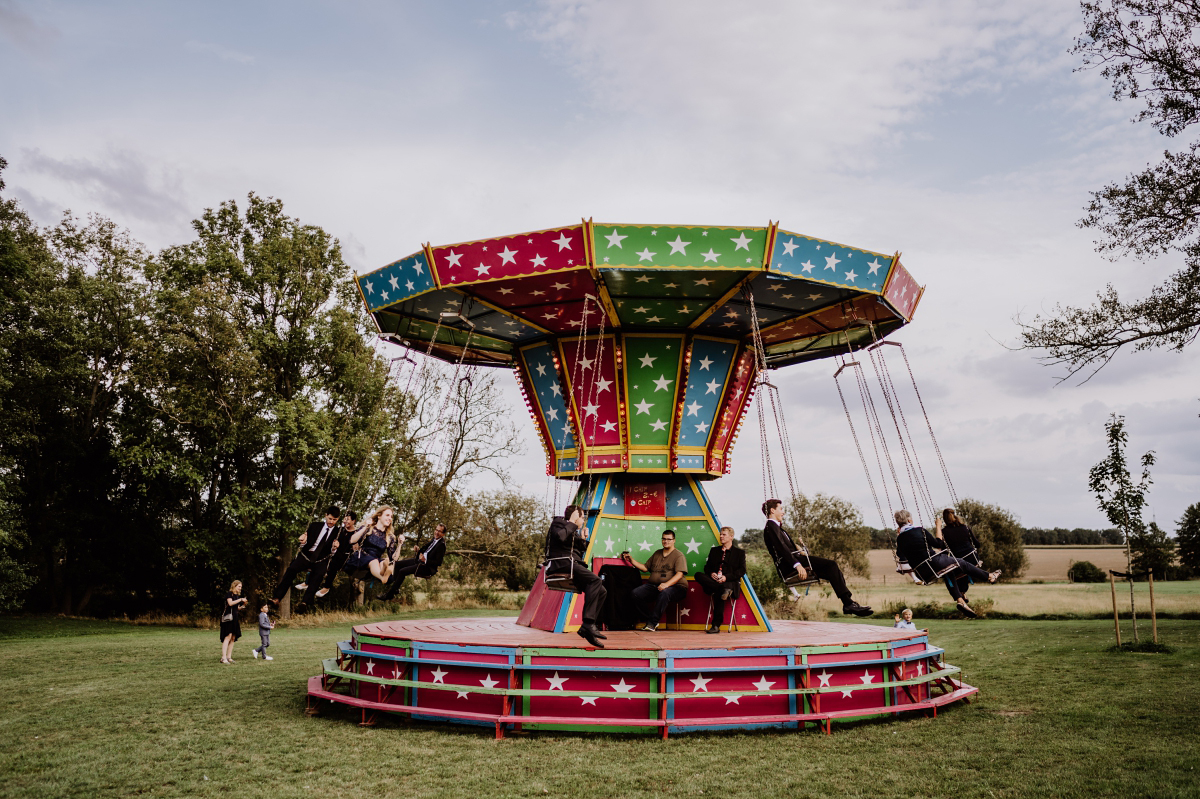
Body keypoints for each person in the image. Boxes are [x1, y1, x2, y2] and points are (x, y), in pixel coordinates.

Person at [761, 499, 873, 617]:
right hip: (791, 565)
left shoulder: (777, 528)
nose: (783, 512)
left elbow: (786, 547)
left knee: (832, 571)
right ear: (772, 510)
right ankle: (848, 603)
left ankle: (848, 603)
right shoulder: (771, 526)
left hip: (798, 560)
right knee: (831, 565)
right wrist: (797, 565)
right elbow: (781, 548)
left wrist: (800, 550)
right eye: (781, 509)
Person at [894, 509, 1000, 618]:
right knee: (961, 563)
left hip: (922, 573)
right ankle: (990, 576)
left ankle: (960, 601)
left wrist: (901, 537)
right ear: (909, 520)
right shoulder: (920, 530)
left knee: (949, 572)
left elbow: (900, 555)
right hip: (935, 562)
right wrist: (938, 527)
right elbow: (938, 543)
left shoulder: (900, 539)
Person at [545, 504, 607, 648]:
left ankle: (588, 627)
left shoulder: (572, 530)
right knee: (595, 580)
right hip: (562, 563)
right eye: (582, 518)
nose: (583, 521)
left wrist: (584, 539)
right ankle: (588, 623)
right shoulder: (558, 523)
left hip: (572, 563)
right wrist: (572, 522)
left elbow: (578, 551)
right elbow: (560, 538)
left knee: (602, 591)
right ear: (575, 516)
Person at [271, 506, 342, 609]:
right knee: (291, 569)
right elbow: (305, 543)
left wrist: (335, 548)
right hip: (307, 554)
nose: (331, 521)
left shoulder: (338, 532)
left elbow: (333, 553)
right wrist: (303, 542)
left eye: (334, 520)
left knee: (319, 575)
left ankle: (305, 603)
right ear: (326, 516)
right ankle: (277, 598)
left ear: (338, 519)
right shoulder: (315, 526)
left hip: (322, 557)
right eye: (330, 518)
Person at [622, 529, 688, 632]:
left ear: (674, 540)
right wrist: (631, 560)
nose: (666, 541)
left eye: (669, 539)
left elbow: (680, 574)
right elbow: (644, 568)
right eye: (664, 539)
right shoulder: (657, 553)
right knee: (635, 593)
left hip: (677, 587)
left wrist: (666, 584)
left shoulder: (679, 555)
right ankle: (651, 620)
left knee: (665, 593)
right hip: (655, 586)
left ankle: (652, 623)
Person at [694, 526, 746, 634]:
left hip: (729, 582)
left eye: (724, 534)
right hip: (714, 582)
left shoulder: (739, 553)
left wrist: (726, 577)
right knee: (698, 574)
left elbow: (742, 570)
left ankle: (716, 625)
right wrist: (711, 573)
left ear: (731, 537)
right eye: (720, 534)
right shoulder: (714, 551)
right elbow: (707, 568)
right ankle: (721, 589)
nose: (721, 536)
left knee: (721, 591)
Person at [379, 523, 448, 601]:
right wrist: (418, 551)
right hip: (420, 562)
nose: (436, 532)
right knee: (397, 564)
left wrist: (426, 560)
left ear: (443, 534)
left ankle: (389, 595)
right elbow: (426, 552)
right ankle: (395, 588)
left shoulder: (441, 545)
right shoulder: (434, 539)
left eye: (439, 531)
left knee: (402, 571)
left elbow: (438, 562)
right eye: (436, 530)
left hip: (427, 568)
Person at [343, 506, 397, 584]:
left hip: (376, 560)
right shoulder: (369, 528)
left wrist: (400, 545)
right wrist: (365, 527)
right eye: (387, 515)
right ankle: (382, 577)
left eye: (391, 516)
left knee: (383, 562)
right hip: (362, 557)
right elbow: (352, 540)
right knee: (374, 561)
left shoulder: (389, 536)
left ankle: (383, 571)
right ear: (379, 516)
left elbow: (393, 557)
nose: (390, 518)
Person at [936, 507, 982, 601]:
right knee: (963, 570)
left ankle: (960, 595)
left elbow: (944, 550)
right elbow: (977, 544)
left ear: (944, 520)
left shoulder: (944, 532)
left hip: (958, 563)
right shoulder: (965, 528)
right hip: (972, 559)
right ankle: (963, 593)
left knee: (953, 572)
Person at [315, 510, 358, 600]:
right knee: (319, 559)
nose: (345, 521)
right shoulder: (340, 530)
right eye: (344, 519)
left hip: (346, 558)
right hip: (335, 553)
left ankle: (326, 587)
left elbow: (357, 549)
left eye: (348, 519)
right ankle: (309, 582)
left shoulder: (356, 534)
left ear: (353, 521)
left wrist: (356, 547)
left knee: (333, 564)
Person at [219, 580, 248, 664]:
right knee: (228, 636)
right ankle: (223, 658)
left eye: (241, 587)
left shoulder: (236, 596)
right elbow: (230, 603)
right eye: (239, 586)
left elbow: (236, 608)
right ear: (234, 586)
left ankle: (229, 657)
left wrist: (243, 606)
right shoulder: (229, 594)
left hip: (235, 618)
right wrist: (240, 599)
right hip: (228, 619)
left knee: (233, 638)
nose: (240, 588)